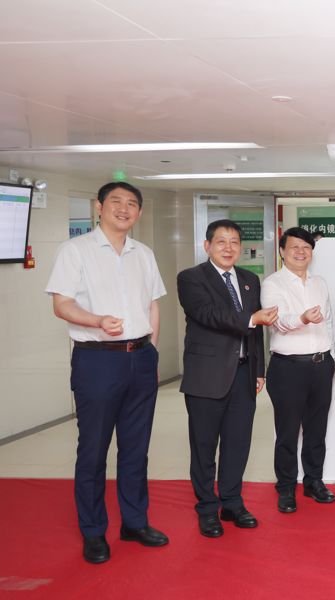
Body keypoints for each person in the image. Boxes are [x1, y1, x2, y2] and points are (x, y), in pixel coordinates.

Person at [46, 182, 169, 564]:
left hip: (140, 358)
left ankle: (134, 522)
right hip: (97, 360)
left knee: (136, 449)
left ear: (140, 213)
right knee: (94, 449)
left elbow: (152, 305)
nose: (124, 209)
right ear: (98, 206)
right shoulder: (75, 250)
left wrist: (151, 350)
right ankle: (94, 531)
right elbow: (61, 305)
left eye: (132, 204)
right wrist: (97, 321)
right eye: (116, 202)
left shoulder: (143, 254)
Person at [177, 219, 278, 537]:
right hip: (206, 376)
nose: (229, 247)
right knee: (204, 446)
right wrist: (251, 318)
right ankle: (207, 508)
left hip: (243, 374)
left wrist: (259, 368)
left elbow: (256, 331)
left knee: (237, 443)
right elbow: (208, 315)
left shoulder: (250, 279)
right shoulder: (191, 278)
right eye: (221, 241)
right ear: (207, 246)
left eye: (234, 242)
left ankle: (232, 502)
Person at [261, 227, 335, 514]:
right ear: (282, 251)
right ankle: (286, 487)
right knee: (288, 431)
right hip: (288, 367)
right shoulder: (272, 283)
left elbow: (328, 323)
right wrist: (303, 318)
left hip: (321, 364)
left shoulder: (320, 283)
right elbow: (277, 322)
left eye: (306, 247)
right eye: (294, 247)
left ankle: (314, 481)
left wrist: (333, 358)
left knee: (317, 430)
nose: (301, 252)